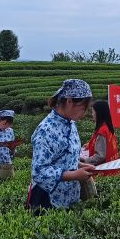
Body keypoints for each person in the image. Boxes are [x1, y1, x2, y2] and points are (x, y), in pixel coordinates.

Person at [28, 79, 98, 212]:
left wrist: (80, 166)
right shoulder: (46, 130)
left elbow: (64, 156)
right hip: (47, 199)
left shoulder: (71, 123)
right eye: (83, 108)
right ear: (70, 101)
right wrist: (74, 175)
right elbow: (39, 172)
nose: (85, 113)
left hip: (70, 195)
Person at [80, 100, 120, 175]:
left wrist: (84, 162)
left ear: (99, 113)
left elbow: (100, 156)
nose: (92, 115)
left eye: (93, 112)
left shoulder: (102, 131)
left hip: (103, 172)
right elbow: (106, 145)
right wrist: (90, 144)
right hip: (112, 169)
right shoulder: (108, 127)